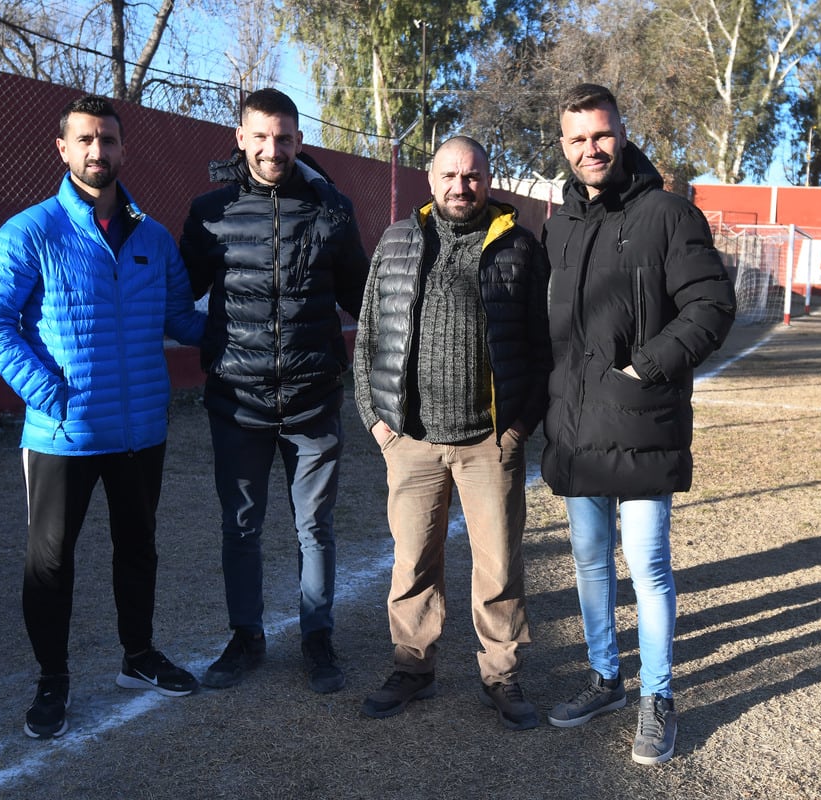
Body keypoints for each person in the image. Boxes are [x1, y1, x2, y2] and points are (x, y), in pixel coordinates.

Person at [0, 95, 206, 739]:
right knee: (50, 562)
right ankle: (53, 680)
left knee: (138, 549)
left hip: (140, 433)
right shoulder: (29, 231)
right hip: (61, 435)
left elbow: (183, 320)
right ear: (64, 149)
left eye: (108, 140)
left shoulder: (153, 237)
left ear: (123, 149)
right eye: (85, 140)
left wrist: (247, 327)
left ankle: (138, 657)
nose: (98, 152)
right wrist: (47, 393)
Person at [541, 84, 736, 763]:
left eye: (600, 135)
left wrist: (646, 366)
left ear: (622, 133)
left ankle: (659, 697)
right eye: (576, 139)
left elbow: (711, 308)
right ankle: (606, 679)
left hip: (643, 421)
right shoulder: (558, 223)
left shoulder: (669, 216)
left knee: (647, 566)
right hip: (575, 426)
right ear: (563, 146)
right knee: (591, 564)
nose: (590, 149)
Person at [353, 136, 552, 730]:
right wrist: (379, 423)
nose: (460, 186)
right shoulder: (396, 241)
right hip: (410, 441)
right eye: (449, 175)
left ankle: (502, 674)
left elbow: (545, 348)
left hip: (489, 443)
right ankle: (413, 666)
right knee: (412, 562)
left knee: (498, 566)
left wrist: (517, 429)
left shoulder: (519, 245)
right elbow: (366, 336)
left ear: (488, 179)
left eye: (472, 175)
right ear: (430, 178)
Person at [179, 88, 369, 694]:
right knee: (241, 527)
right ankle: (246, 636)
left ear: (299, 141)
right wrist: (213, 347)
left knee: (315, 527)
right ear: (239, 138)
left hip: (313, 400)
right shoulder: (208, 212)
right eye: (259, 137)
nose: (271, 149)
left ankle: (318, 638)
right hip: (237, 403)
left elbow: (360, 297)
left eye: (283, 137)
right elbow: (175, 294)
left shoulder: (330, 209)